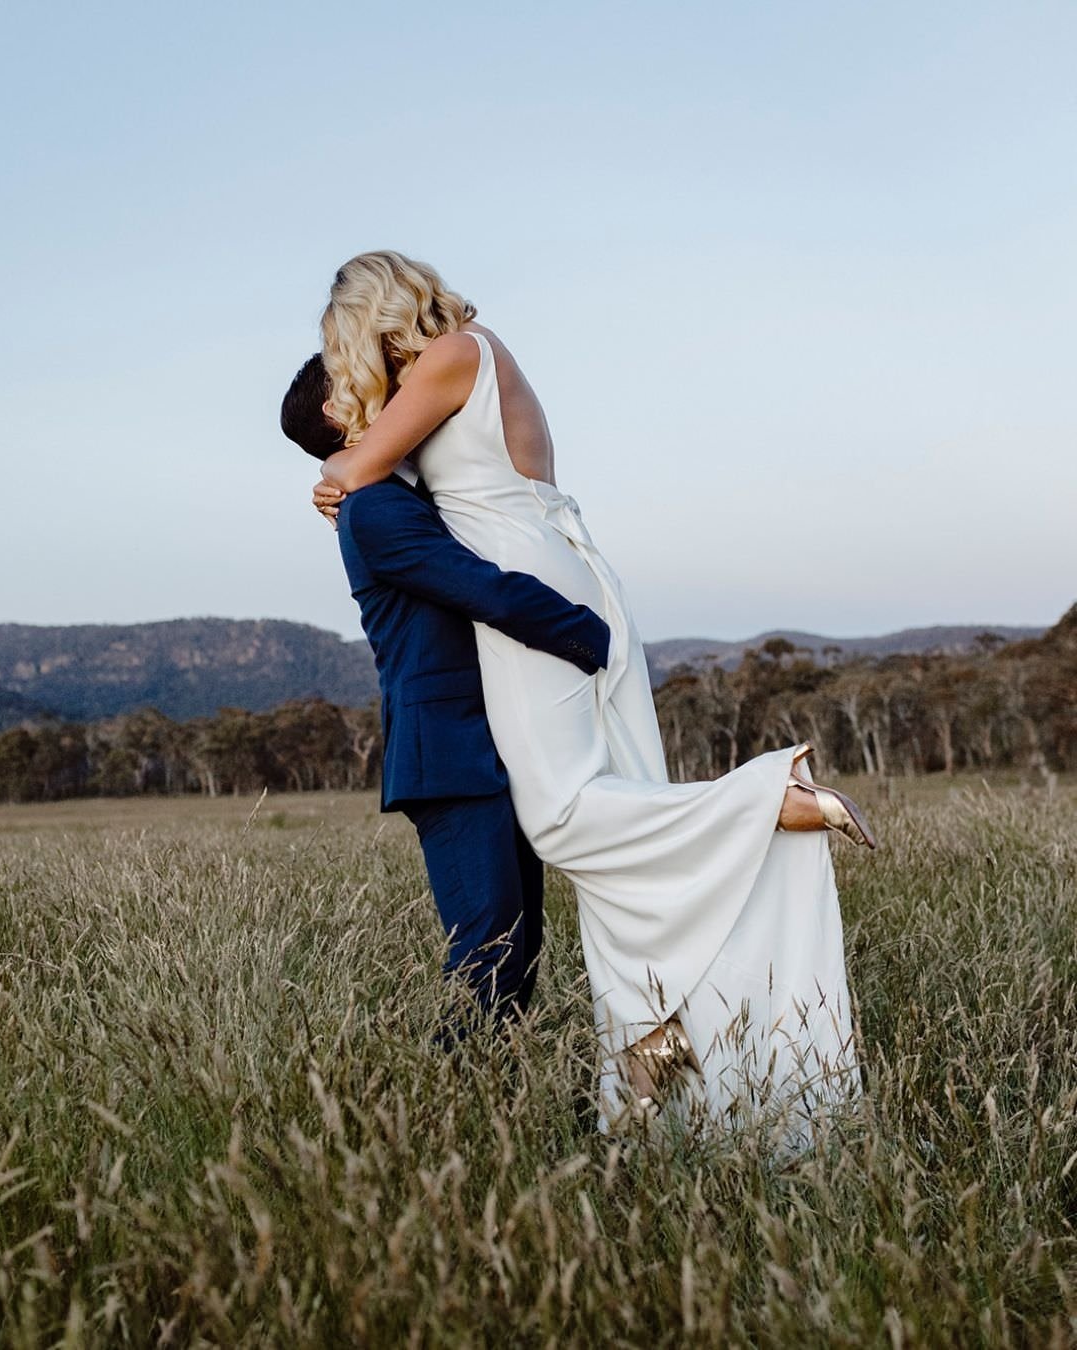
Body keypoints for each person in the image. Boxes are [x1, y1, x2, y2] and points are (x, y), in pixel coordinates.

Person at [309, 250, 875, 1144]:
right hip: (562, 571)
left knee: (565, 816)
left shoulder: (455, 353)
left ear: (377, 319)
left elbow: (355, 470)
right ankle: (660, 1049)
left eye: (351, 353)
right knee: (624, 828)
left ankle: (767, 801)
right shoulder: (470, 364)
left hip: (533, 590)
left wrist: (338, 470)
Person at [280, 354, 611, 1045]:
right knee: (490, 959)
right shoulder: (375, 508)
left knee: (517, 959)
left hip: (482, 743)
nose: (395, 385)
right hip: (447, 755)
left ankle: (491, 1106)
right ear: (343, 415)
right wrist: (596, 639)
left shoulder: (394, 490)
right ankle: (444, 1110)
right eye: (366, 378)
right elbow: (484, 590)